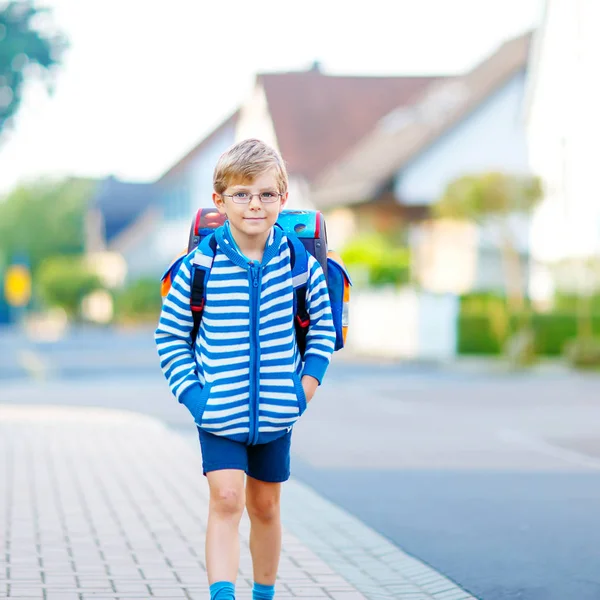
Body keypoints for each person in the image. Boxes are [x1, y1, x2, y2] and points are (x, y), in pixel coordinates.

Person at [155, 138, 336, 600]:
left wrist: (305, 387)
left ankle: (263, 594)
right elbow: (171, 337)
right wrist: (197, 396)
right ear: (220, 201)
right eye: (241, 194)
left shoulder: (300, 265)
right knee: (227, 498)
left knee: (266, 506)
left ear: (282, 198)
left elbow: (321, 331)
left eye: (266, 194)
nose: (254, 204)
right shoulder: (200, 265)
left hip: (278, 413)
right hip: (219, 413)